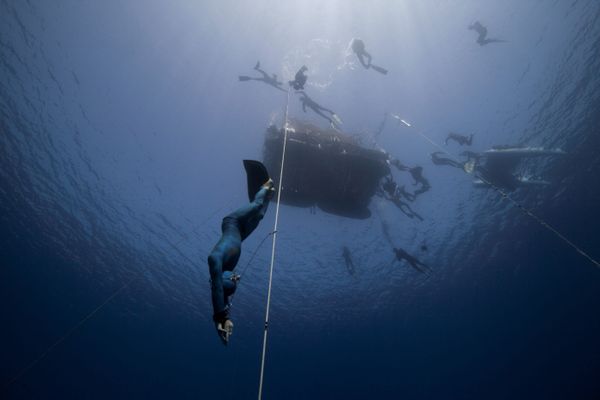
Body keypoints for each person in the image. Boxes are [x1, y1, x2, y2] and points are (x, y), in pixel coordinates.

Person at [208, 160, 275, 345]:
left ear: (223, 279)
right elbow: (223, 295)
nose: (237, 277)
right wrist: (224, 321)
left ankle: (266, 187)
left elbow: (217, 290)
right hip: (241, 235)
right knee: (259, 216)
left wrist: (219, 317)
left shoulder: (216, 261)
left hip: (232, 223)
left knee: (255, 207)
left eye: (234, 279)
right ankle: (267, 196)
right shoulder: (226, 273)